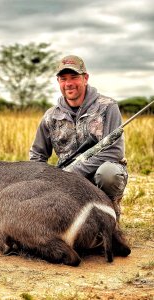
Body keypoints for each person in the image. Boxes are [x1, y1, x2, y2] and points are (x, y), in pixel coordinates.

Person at [29, 55, 128, 220]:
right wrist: (42, 181)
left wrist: (76, 172)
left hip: (98, 174)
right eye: (63, 79)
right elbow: (37, 156)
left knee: (108, 174)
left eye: (74, 77)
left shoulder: (108, 107)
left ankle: (110, 213)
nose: (68, 83)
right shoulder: (50, 115)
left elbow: (115, 151)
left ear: (85, 78)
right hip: (65, 178)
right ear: (58, 81)